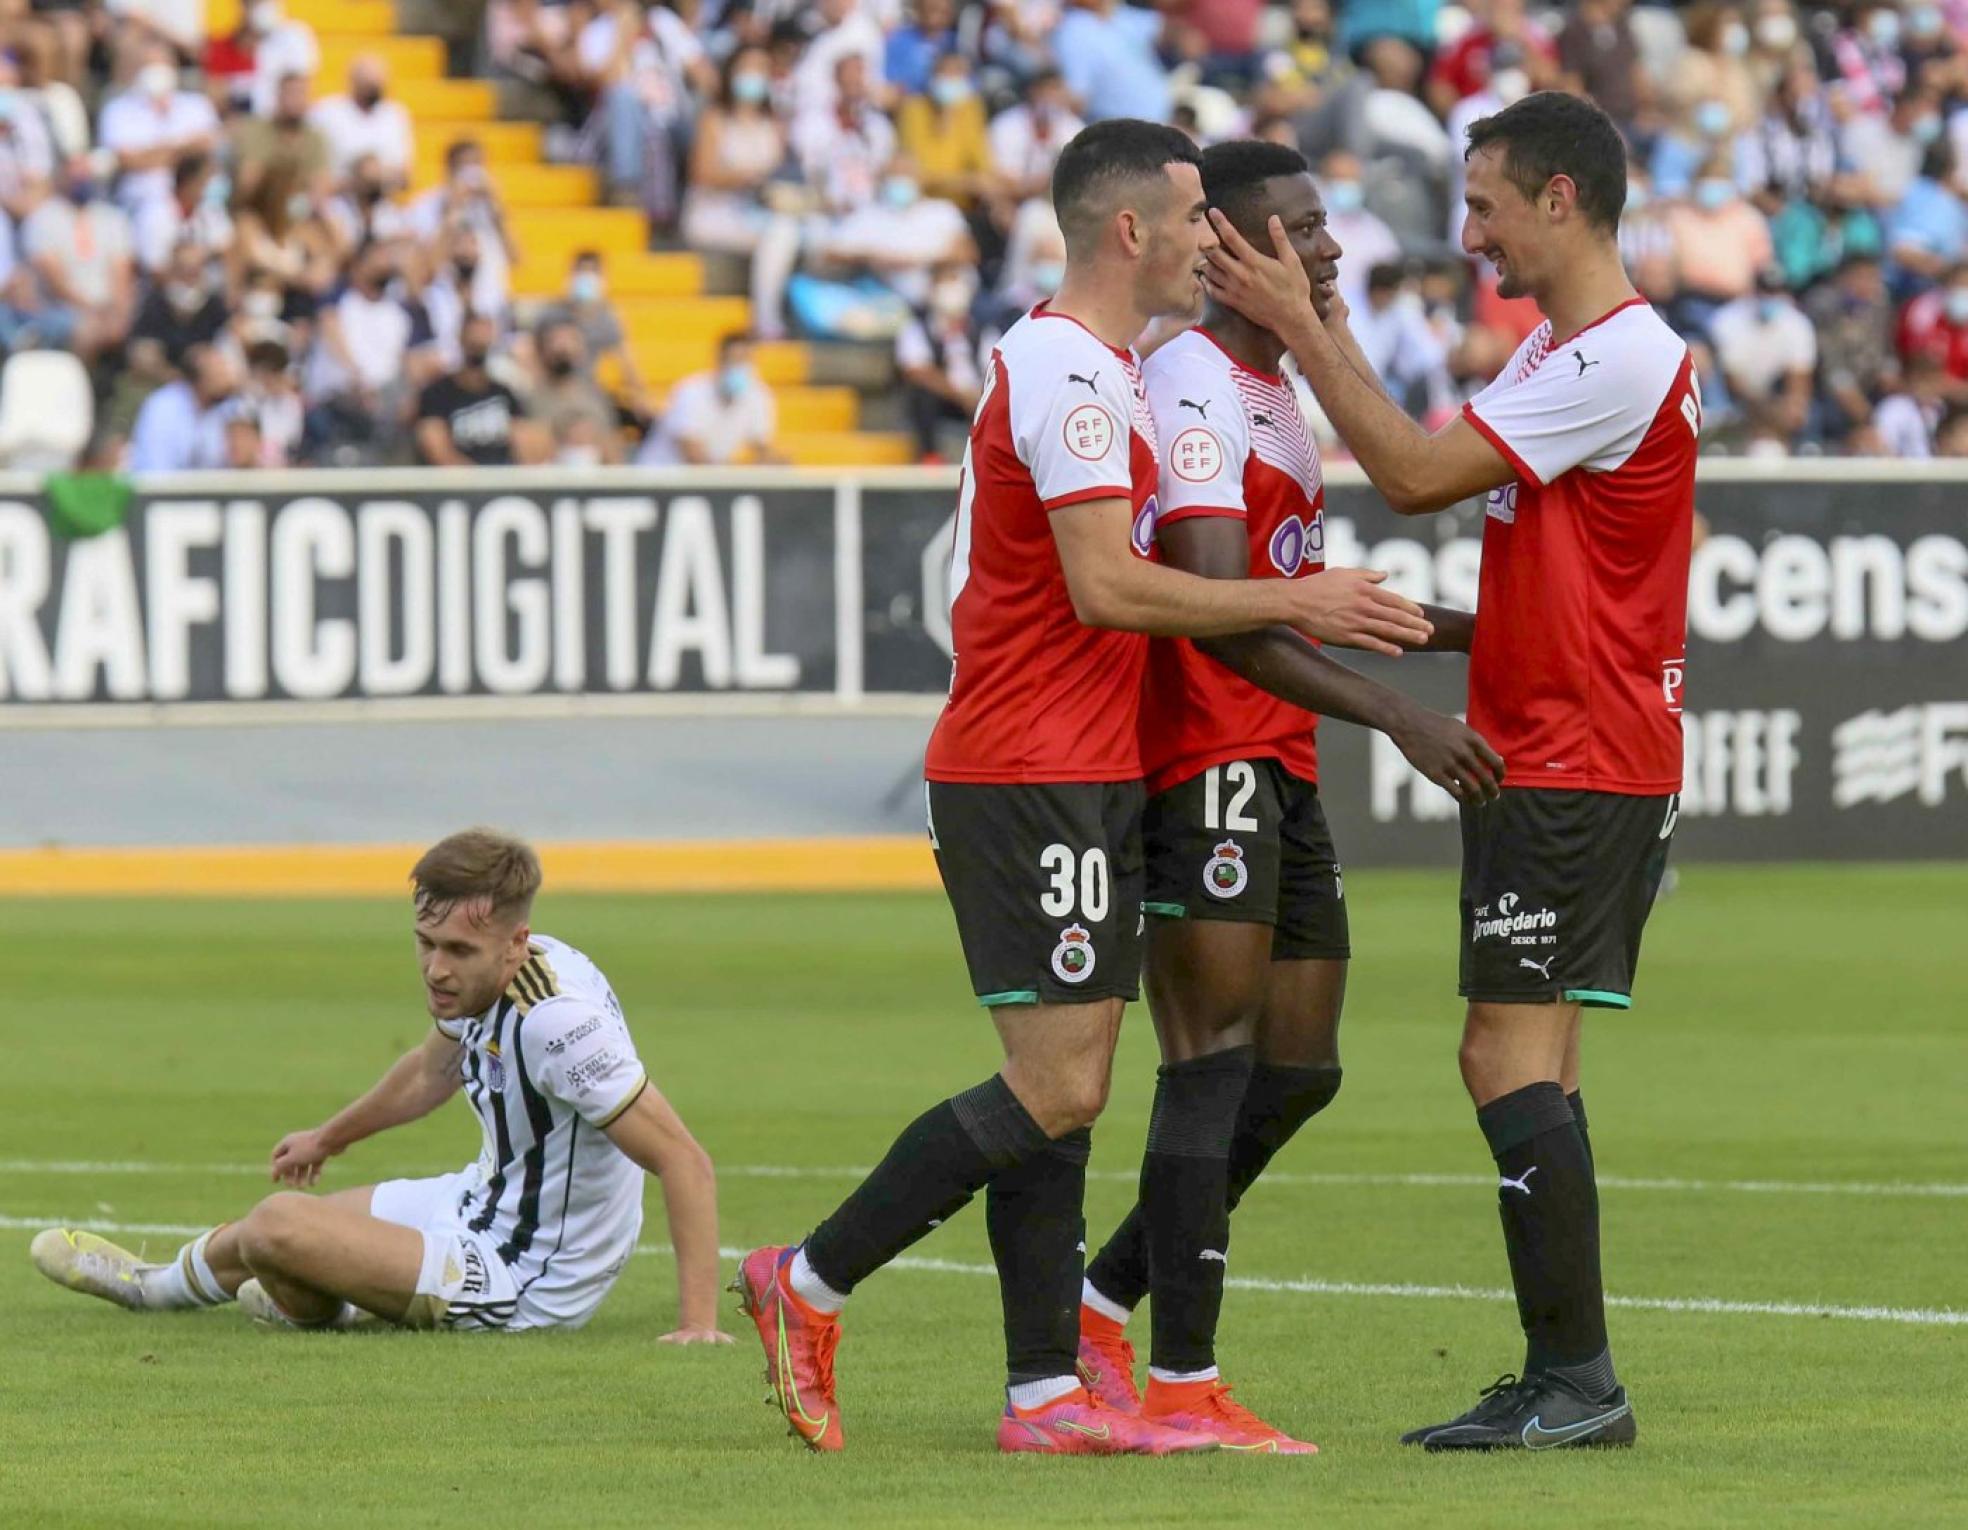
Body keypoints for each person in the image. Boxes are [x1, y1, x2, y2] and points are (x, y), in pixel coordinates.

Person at [732, 117, 1434, 1458]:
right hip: (1026, 763)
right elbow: (1105, 583)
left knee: (1067, 1083)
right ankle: (807, 1279)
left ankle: (1046, 1393)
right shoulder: (1070, 370)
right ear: (1134, 232)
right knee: (1056, 1087)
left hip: (1087, 760)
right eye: (1190, 223)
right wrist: (1297, 597)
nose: (1203, 245)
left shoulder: (1095, 363)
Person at [1201, 89, 1695, 1450]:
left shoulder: (1614, 357)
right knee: (1531, 1057)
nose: (1465, 230)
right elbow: (1548, 556)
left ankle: (1578, 1380)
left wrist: (1302, 326)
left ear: (1560, 199)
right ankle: (1564, 1374)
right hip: (1570, 741)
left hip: (1577, 753)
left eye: (1482, 203)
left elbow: (1415, 471)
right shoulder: (1563, 351)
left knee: (1502, 1055)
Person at [1075, 139, 1502, 1452]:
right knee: (1209, 1064)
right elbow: (1220, 611)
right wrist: (1404, 718)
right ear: (1231, 252)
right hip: (1206, 756)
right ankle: (1183, 1383)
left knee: (1299, 1068)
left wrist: (1487, 630)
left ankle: (1095, 1297)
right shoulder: (1195, 383)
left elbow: (1310, 591)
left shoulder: (1269, 386)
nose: (1328, 251)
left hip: (1281, 757)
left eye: (1326, 229)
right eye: (1301, 231)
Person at [31, 829, 729, 1342]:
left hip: (526, 1273)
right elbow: (432, 1069)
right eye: (426, 943)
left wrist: (698, 1325)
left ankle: (195, 1296)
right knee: (293, 1233)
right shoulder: (499, 979)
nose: (435, 969)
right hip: (479, 1204)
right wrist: (326, 1138)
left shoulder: (556, 1024)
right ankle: (175, 1286)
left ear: (516, 943)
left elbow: (683, 1160)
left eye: (459, 951)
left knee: (279, 1226)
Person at [637, 331, 781, 465]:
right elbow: (691, 453)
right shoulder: (690, 391)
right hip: (662, 478)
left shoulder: (758, 395)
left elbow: (762, 448)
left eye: (745, 361)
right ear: (719, 360)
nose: (740, 367)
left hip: (709, 480)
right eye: (735, 360)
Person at [415, 313, 529, 466]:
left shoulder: (503, 393)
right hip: (459, 485)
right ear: (461, 338)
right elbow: (437, 448)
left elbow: (525, 442)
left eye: (484, 336)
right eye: (474, 336)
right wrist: (480, 481)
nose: (479, 342)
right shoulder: (437, 394)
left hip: (505, 480)